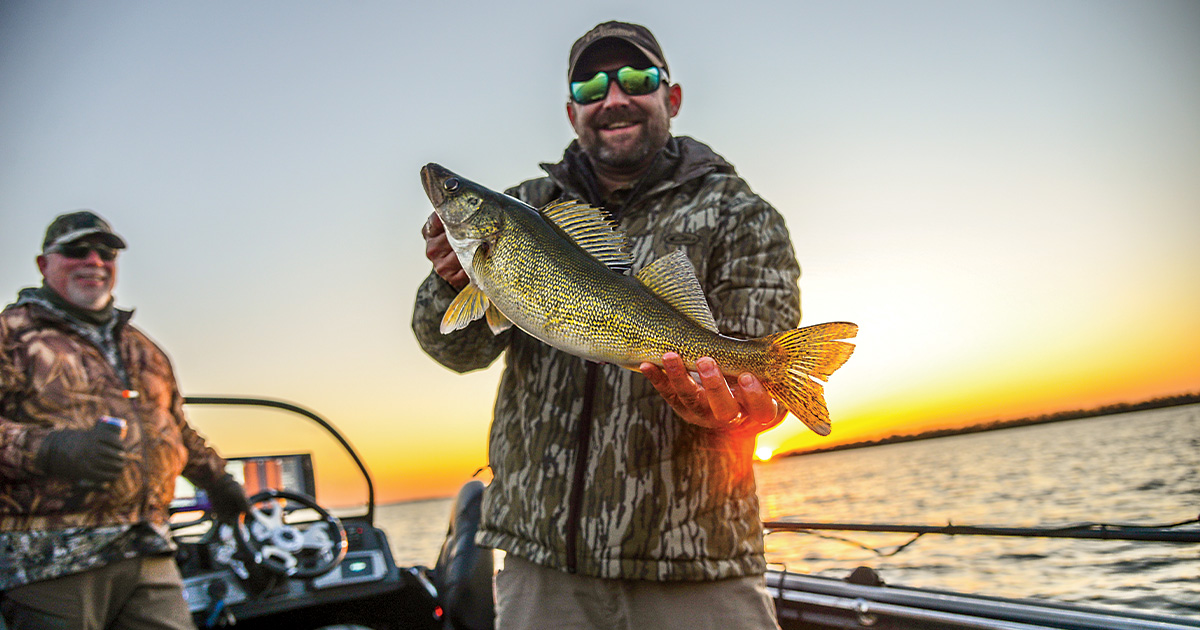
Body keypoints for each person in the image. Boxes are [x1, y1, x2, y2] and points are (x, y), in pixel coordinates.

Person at [413, 21, 800, 630]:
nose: (614, 97)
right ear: (572, 112)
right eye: (592, 84)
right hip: (544, 569)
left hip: (699, 566)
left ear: (670, 98)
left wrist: (737, 407)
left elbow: (764, 401)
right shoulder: (526, 207)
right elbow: (452, 350)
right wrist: (451, 281)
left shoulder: (740, 213)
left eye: (637, 79)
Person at [0, 210, 250, 629]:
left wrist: (217, 479)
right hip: (50, 562)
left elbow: (175, 429)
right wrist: (49, 450)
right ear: (45, 264)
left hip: (149, 549)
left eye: (106, 253)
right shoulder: (11, 335)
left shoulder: (145, 349)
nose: (94, 261)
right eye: (77, 251)